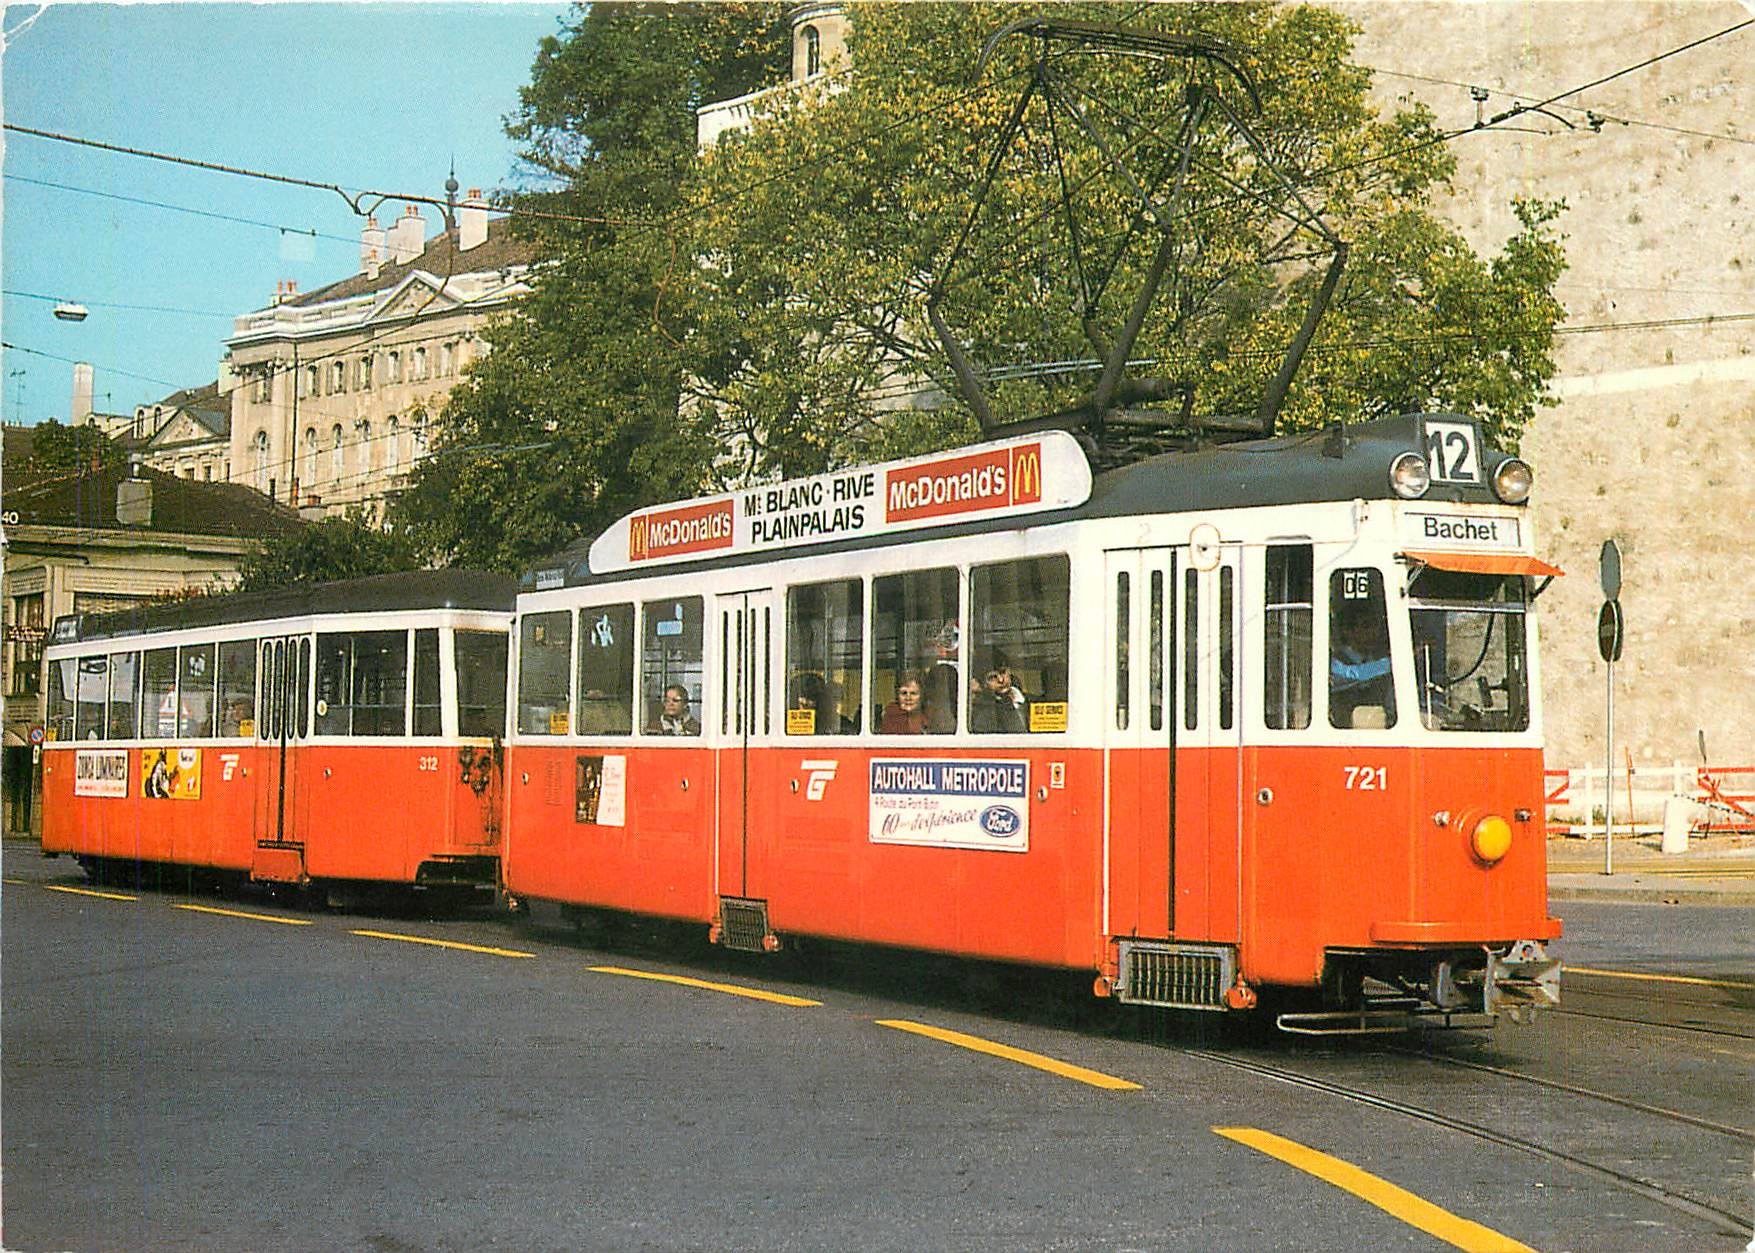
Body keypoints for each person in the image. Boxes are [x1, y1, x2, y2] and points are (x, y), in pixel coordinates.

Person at [1330, 611, 1393, 727]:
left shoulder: (1373, 660)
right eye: (1366, 626)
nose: (1374, 633)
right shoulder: (1334, 662)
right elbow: (1355, 674)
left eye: (1376, 626)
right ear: (1347, 632)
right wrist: (1393, 663)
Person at [970, 656, 1028, 733]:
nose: (1001, 680)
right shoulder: (984, 714)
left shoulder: (1033, 701)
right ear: (983, 684)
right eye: (992, 677)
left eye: (1003, 672)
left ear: (1009, 672)